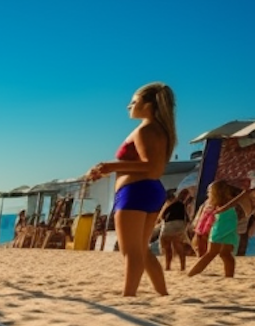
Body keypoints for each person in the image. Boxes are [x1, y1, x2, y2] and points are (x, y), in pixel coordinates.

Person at [86, 82, 176, 297]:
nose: (129, 106)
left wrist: (110, 166)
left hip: (136, 191)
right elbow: (151, 167)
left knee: (131, 251)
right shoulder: (158, 130)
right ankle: (162, 294)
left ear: (148, 105)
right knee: (142, 250)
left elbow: (153, 168)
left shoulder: (146, 129)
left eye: (134, 102)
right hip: (149, 191)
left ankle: (129, 295)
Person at [187, 181, 250, 278]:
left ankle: (229, 277)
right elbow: (224, 208)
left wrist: (244, 195)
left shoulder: (225, 201)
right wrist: (242, 195)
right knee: (211, 253)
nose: (209, 193)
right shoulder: (216, 203)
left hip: (230, 230)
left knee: (226, 254)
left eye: (210, 191)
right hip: (219, 230)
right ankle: (191, 274)